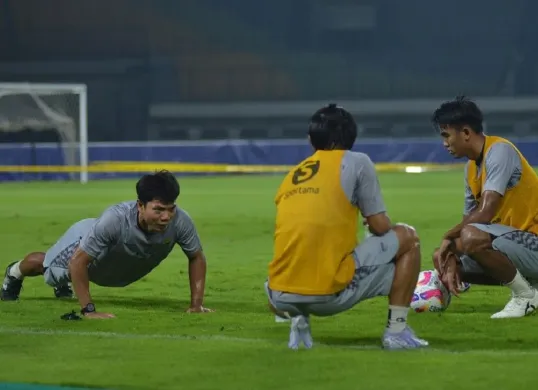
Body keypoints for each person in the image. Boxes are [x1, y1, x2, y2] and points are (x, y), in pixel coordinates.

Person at [264, 103, 428, 350]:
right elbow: (381, 226)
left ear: (312, 139)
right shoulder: (357, 161)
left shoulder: (294, 173)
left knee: (301, 253)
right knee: (408, 238)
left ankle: (299, 320)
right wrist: (371, 221)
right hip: (326, 297)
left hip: (277, 297)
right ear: (350, 137)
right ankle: (397, 331)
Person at [1, 170, 213, 318]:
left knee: (73, 271)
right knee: (47, 267)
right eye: (158, 209)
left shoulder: (181, 221)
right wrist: (89, 310)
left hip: (112, 267)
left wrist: (196, 306)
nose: (166, 217)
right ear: (140, 205)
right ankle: (14, 271)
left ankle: (65, 283)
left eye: (170, 209)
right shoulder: (115, 220)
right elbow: (78, 263)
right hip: (83, 240)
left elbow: (196, 256)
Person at [431, 96, 538, 319]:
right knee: (441, 256)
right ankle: (443, 289)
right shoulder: (470, 169)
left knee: (469, 237)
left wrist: (447, 237)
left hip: (532, 240)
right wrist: (450, 249)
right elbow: (469, 219)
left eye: (446, 135)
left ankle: (525, 296)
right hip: (513, 244)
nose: (444, 143)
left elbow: (485, 214)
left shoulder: (500, 151)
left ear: (466, 133)